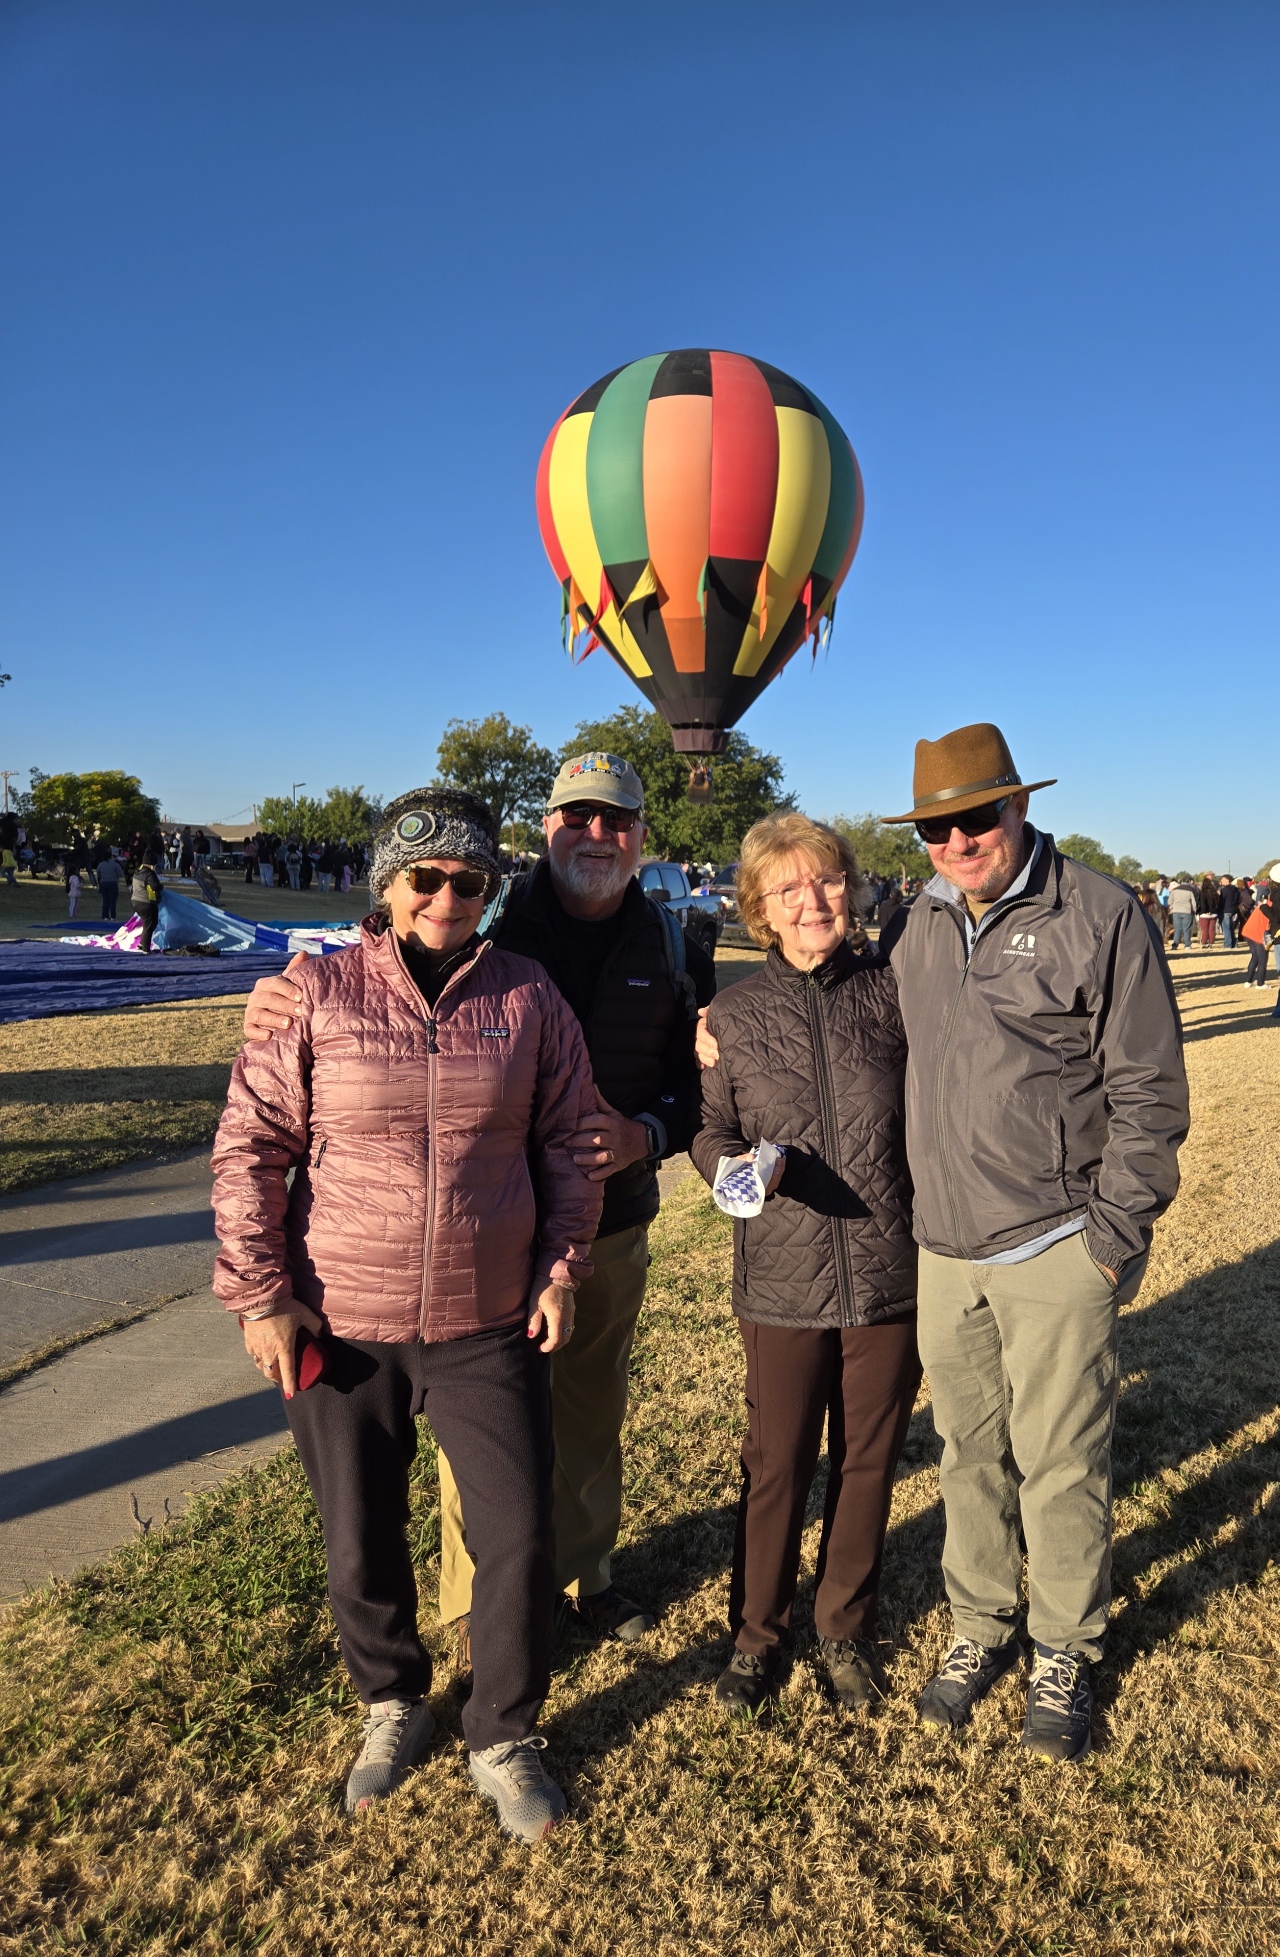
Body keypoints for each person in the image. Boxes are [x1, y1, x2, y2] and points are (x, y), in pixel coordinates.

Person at [241, 750, 715, 1657]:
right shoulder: (490, 908)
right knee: (485, 1446)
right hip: (479, 1242)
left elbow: (696, 1089)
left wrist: (648, 1134)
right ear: (548, 827)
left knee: (590, 1410)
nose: (597, 835)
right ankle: (480, 1606)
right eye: (578, 816)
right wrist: (280, 994)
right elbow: (387, 951)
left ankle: (586, 1578)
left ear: (643, 835)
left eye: (616, 820)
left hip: (604, 1222)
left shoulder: (674, 944)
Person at [211, 787, 601, 1840]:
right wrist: (262, 1294)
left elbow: (569, 1144)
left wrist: (560, 1268)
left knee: (518, 1533)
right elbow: (252, 1148)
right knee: (357, 1534)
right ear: (386, 887)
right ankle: (392, 1701)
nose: (444, 897)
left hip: (488, 1318)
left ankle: (502, 1731)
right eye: (423, 878)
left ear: (488, 891)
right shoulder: (316, 996)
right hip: (342, 1318)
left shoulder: (527, 999)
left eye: (467, 881)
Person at [881, 724, 1188, 1761]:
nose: (959, 840)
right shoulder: (917, 918)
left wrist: (1108, 1238)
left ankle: (1063, 1645)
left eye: (976, 815)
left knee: (1060, 1459)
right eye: (937, 825)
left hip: (1056, 1240)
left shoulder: (1098, 912)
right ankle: (979, 1624)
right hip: (943, 1245)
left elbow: (1148, 1091)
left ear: (1016, 806)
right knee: (966, 1452)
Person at [690, 814, 920, 1716]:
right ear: (761, 908)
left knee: (868, 1457)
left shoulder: (897, 992)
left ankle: (843, 1627)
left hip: (889, 1267)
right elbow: (711, 1128)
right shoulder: (734, 1015)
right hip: (781, 1275)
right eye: (789, 889)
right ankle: (757, 1635)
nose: (812, 901)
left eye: (825, 881)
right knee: (777, 1458)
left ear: (852, 887)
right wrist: (731, 1169)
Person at [130, 852, 163, 951]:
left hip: (135, 901)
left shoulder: (137, 872)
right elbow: (155, 886)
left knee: (148, 923)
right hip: (146, 902)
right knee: (150, 924)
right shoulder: (149, 873)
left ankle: (142, 944)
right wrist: (161, 886)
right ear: (151, 864)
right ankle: (145, 948)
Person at [1167, 874, 1197, 950]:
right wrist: (1194, 910)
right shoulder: (1190, 890)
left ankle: (1175, 945)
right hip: (1187, 911)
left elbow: (1169, 901)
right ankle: (1187, 945)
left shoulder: (1175, 890)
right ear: (1189, 881)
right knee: (1186, 929)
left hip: (1176, 911)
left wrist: (1172, 907)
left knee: (1177, 929)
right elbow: (1193, 902)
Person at [97, 851, 123, 920]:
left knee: (105, 900)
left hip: (103, 883)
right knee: (113, 901)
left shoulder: (101, 865)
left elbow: (98, 873)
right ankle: (113, 916)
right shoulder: (115, 865)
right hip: (113, 882)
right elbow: (120, 874)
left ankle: (105, 915)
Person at [1218, 875, 1240, 951]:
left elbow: (1221, 900)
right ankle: (1234, 943)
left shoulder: (1224, 890)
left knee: (1226, 928)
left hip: (1224, 910)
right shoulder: (1236, 890)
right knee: (1231, 928)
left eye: (1223, 879)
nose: (1221, 880)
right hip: (1233, 910)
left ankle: (1228, 944)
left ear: (1228, 880)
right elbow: (1239, 900)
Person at [1196, 874, 1218, 948]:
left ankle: (1204, 942)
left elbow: (1203, 904)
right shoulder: (1214, 893)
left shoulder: (1202, 893)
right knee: (1211, 929)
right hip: (1214, 914)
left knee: (1204, 929)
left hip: (1204, 914)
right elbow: (1217, 903)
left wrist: (1206, 911)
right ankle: (1211, 942)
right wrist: (1212, 910)